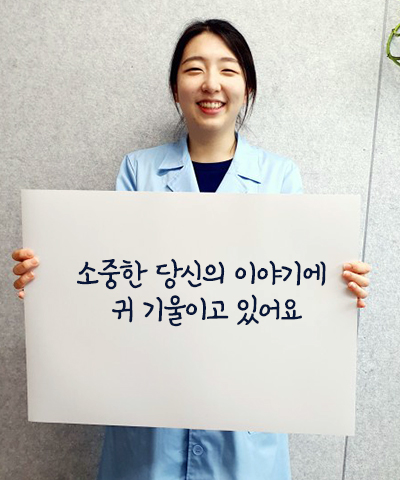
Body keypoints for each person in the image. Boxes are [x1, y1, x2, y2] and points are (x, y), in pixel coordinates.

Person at [12, 18, 371, 480]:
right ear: (175, 88)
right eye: (194, 68)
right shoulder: (138, 171)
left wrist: (338, 290)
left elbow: (293, 300)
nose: (211, 83)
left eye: (228, 69)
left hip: (245, 422)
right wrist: (51, 277)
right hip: (149, 426)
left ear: (247, 87)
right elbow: (110, 289)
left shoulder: (280, 177)